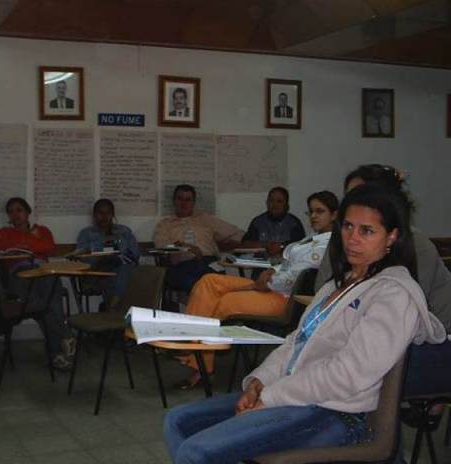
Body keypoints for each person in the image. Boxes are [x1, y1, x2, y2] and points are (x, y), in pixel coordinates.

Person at [163, 184, 446, 464]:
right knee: (177, 420)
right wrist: (259, 382)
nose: (352, 239)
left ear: (392, 236)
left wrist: (270, 397)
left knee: (196, 451)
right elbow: (296, 341)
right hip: (296, 395)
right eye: (348, 227)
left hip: (337, 413)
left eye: (367, 231)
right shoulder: (337, 284)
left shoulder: (394, 294)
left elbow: (349, 375)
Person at [315, 164, 451, 458]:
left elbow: (401, 323)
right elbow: (324, 292)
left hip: (427, 350)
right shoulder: (344, 240)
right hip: (378, 343)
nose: (355, 205)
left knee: (359, 376)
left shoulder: (416, 246)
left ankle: (377, 449)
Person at [175, 191, 338, 389]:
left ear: (334, 215)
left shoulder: (327, 244)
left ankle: (200, 366)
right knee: (208, 281)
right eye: (311, 211)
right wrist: (272, 270)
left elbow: (296, 278)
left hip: (284, 298)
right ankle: (190, 344)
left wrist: (266, 281)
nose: (313, 216)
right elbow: (287, 264)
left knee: (223, 301)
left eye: (320, 211)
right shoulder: (312, 238)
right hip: (271, 284)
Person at [0, 197, 75, 371]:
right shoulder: (4, 233)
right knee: (46, 303)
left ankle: (56, 355)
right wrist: (31, 244)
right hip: (19, 275)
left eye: (19, 210)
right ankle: (65, 336)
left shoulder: (42, 230)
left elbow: (48, 247)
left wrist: (26, 244)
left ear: (28, 212)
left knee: (46, 301)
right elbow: (2, 250)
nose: (15, 214)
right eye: (11, 211)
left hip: (43, 271)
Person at [153, 184, 244, 302]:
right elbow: (161, 248)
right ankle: (202, 308)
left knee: (216, 280)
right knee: (195, 283)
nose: (183, 203)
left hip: (209, 262)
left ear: (193, 203)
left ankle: (207, 308)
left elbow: (236, 233)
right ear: (174, 201)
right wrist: (184, 247)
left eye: (188, 200)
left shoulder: (206, 219)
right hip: (182, 266)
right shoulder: (165, 224)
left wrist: (229, 244)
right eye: (180, 199)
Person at [75, 198, 140, 308]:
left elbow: (136, 253)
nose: (104, 216)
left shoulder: (124, 231)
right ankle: (113, 307)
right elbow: (82, 258)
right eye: (100, 213)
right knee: (118, 276)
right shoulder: (86, 233)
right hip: (97, 273)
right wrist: (100, 249)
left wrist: (120, 256)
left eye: (108, 213)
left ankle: (111, 305)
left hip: (121, 268)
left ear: (113, 214)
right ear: (94, 215)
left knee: (125, 269)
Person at [241, 186, 306, 257]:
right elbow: (245, 244)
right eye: (271, 200)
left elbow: (301, 246)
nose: (274, 205)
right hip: (261, 262)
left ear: (286, 205)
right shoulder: (258, 222)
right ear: (267, 203)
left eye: (279, 201)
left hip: (286, 262)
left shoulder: (294, 223)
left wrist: (281, 246)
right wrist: (265, 245)